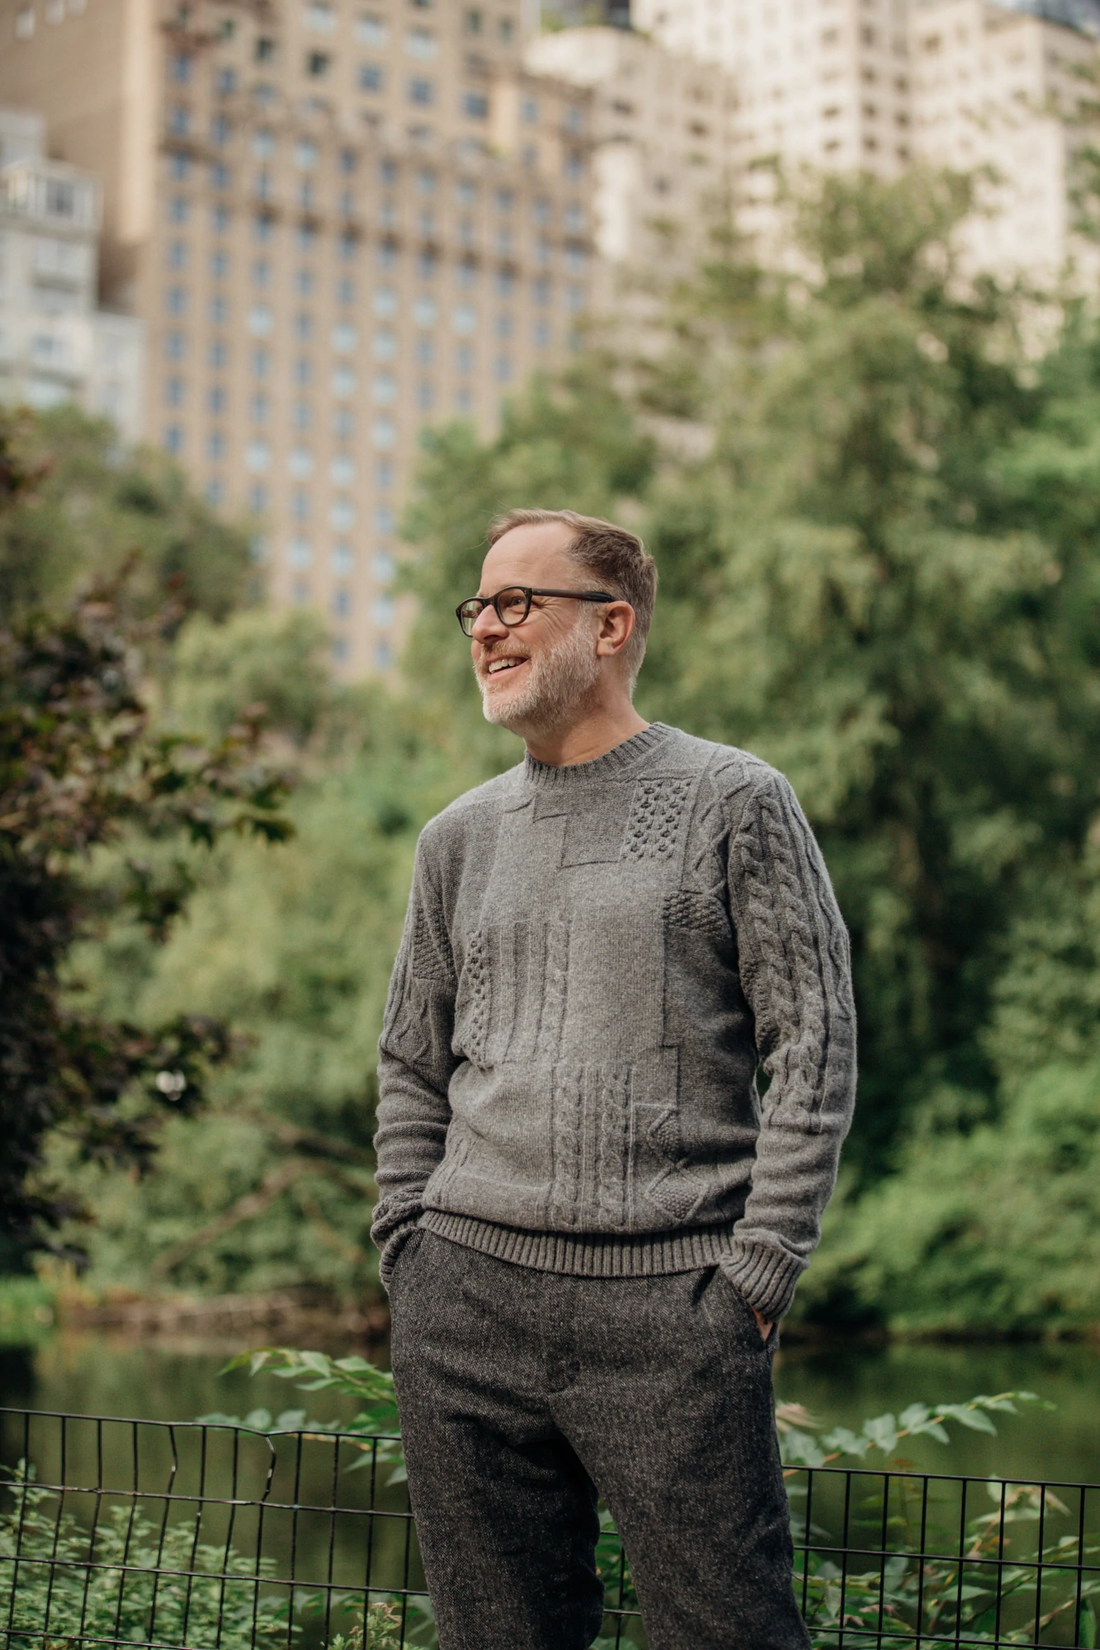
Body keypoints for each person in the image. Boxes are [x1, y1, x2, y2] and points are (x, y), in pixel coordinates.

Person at [372, 508, 857, 1650]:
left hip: (674, 1308)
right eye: (476, 608)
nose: (484, 629)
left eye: (515, 603)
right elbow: (409, 1056)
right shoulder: (456, 836)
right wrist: (409, 1243)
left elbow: (815, 1041)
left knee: (725, 1631)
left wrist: (759, 1267)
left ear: (612, 624)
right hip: (464, 1301)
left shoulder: (733, 800)